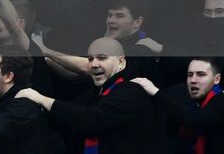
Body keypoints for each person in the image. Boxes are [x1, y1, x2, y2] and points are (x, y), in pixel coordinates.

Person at [15, 37, 163, 153]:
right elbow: (71, 111)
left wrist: (42, 99)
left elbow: (92, 118)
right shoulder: (99, 90)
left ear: (120, 61)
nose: (94, 64)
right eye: (91, 59)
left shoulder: (131, 90)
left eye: (102, 58)